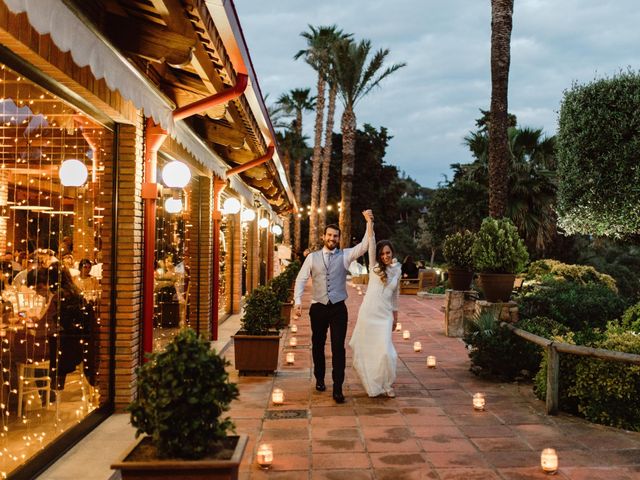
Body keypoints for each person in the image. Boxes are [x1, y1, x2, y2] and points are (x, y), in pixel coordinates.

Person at [293, 210, 374, 403]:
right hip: (318, 307)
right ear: (323, 237)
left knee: (338, 347)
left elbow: (364, 246)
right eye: (329, 235)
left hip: (338, 308)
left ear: (339, 238)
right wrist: (297, 302)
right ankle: (320, 378)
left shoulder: (345, 255)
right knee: (318, 345)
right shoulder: (312, 257)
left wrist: (369, 223)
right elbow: (301, 279)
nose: (332, 238)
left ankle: (338, 387)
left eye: (335, 236)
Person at [349, 236, 401, 398]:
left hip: (385, 315)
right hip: (369, 313)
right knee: (370, 349)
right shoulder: (373, 267)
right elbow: (371, 244)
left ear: (392, 253)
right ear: (379, 255)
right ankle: (373, 382)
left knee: (385, 351)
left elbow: (395, 296)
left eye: (388, 253)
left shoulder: (397, 270)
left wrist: (396, 316)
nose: (385, 256)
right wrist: (369, 223)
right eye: (383, 253)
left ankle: (386, 384)